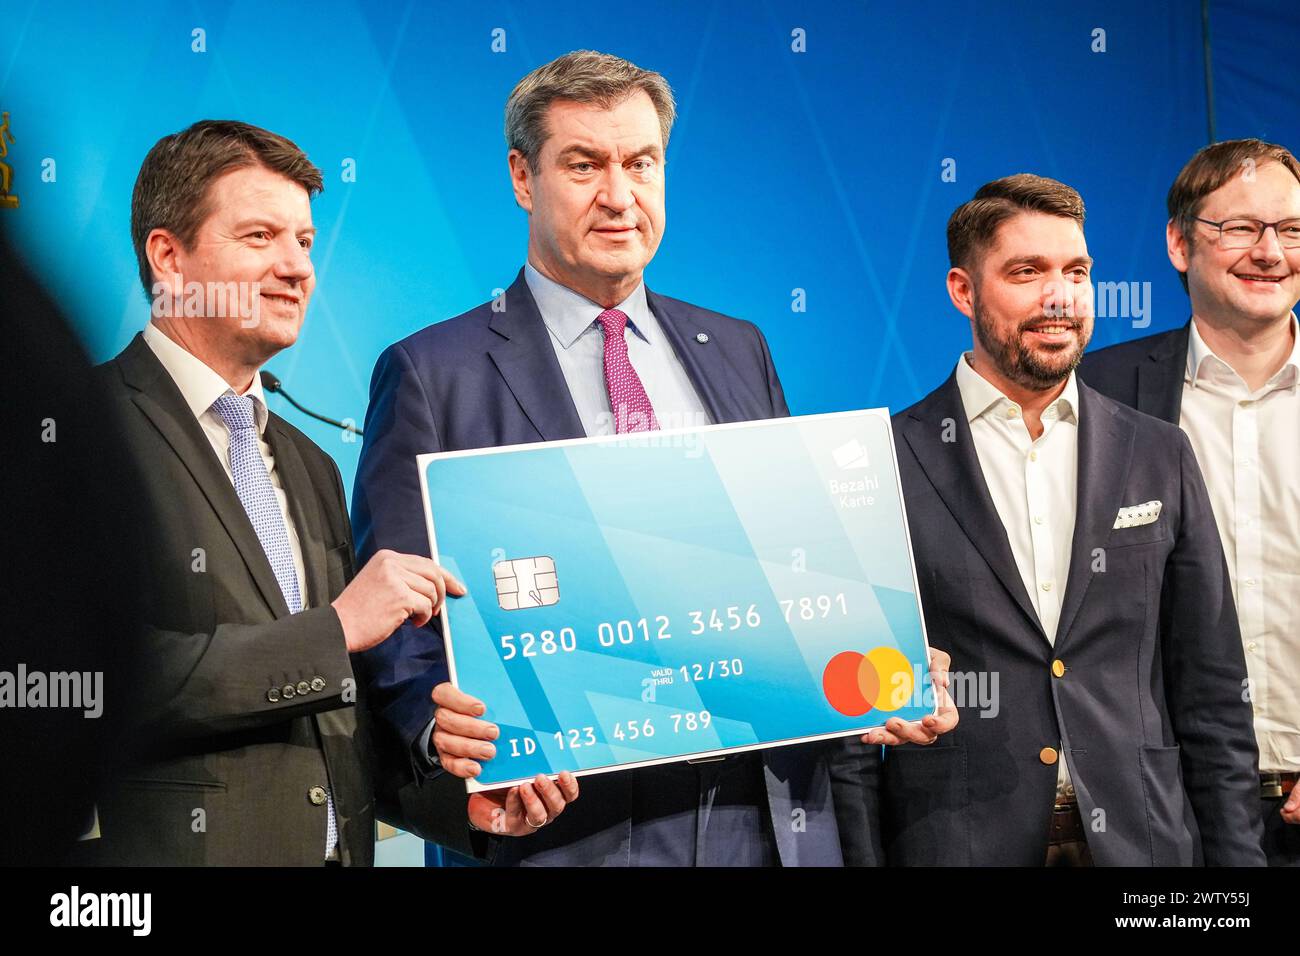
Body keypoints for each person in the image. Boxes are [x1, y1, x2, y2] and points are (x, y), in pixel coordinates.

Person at [352, 50, 954, 866]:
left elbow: (799, 571)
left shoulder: (739, 347)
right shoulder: (432, 372)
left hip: (762, 812)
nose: (619, 195)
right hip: (566, 825)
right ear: (523, 178)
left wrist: (881, 659)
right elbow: (397, 617)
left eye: (641, 163)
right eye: (584, 165)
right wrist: (437, 723)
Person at [844, 173, 1265, 866]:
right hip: (958, 844)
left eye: (1076, 271)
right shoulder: (883, 462)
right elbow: (854, 727)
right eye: (1026, 271)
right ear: (962, 290)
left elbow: (1213, 693)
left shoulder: (1157, 449)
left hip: (1145, 848)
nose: (1059, 297)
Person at [91, 120, 461, 865]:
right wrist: (334, 630)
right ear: (168, 257)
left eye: (304, 242)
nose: (297, 268)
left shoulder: (311, 463)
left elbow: (334, 718)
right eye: (260, 237)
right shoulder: (84, 435)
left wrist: (468, 798)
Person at [1081, 138, 1300, 865]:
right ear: (1179, 243)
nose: (1270, 252)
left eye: (1292, 229)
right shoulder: (1097, 394)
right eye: (1239, 228)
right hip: (1161, 809)